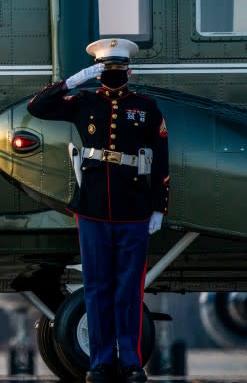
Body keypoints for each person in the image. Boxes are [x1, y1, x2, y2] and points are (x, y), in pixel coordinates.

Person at [26, 38, 169, 383]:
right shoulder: (83, 102)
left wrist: (158, 207)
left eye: (118, 70)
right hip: (92, 209)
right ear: (99, 73)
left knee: (129, 289)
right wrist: (73, 80)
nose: (114, 76)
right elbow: (37, 107)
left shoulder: (146, 106)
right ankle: (101, 362)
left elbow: (161, 158)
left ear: (129, 71)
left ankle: (131, 362)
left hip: (134, 209)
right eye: (107, 71)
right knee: (96, 287)